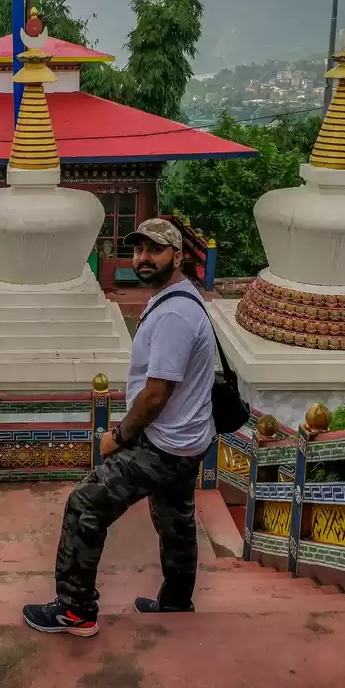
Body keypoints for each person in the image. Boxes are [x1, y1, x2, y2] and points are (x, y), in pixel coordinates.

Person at [23, 218, 217, 637]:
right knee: (176, 521)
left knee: (85, 504)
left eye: (155, 250)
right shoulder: (181, 297)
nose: (143, 258)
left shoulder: (175, 315)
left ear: (178, 257)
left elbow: (155, 394)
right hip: (187, 440)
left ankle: (75, 610)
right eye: (139, 250)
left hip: (163, 444)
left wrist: (119, 436)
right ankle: (176, 603)